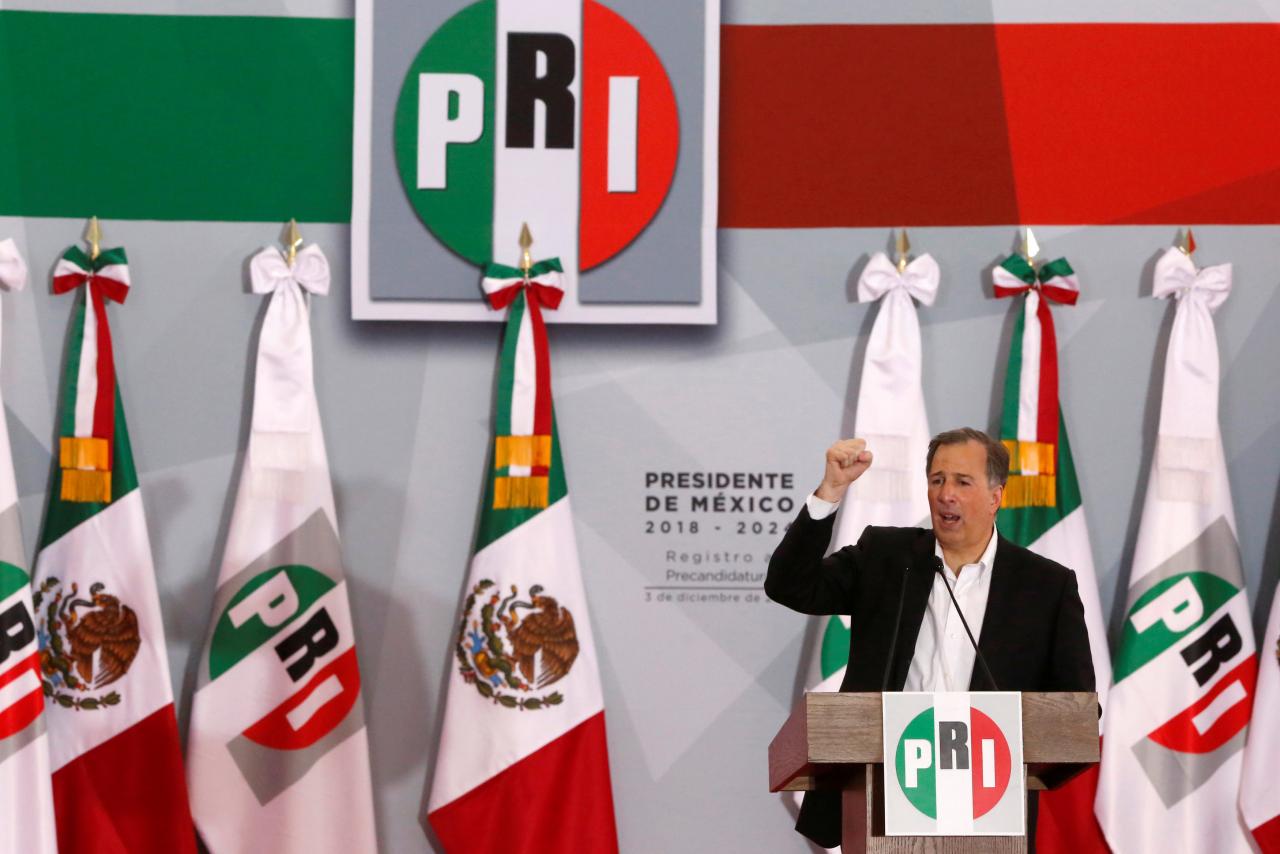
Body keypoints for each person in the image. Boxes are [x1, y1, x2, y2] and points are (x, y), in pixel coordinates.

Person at [765, 428, 1095, 849]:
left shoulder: (1045, 586)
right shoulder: (885, 557)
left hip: (987, 809)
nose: (946, 494)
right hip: (879, 797)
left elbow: (1077, 708)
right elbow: (789, 585)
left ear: (996, 496)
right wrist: (829, 491)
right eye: (937, 480)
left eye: (962, 481)